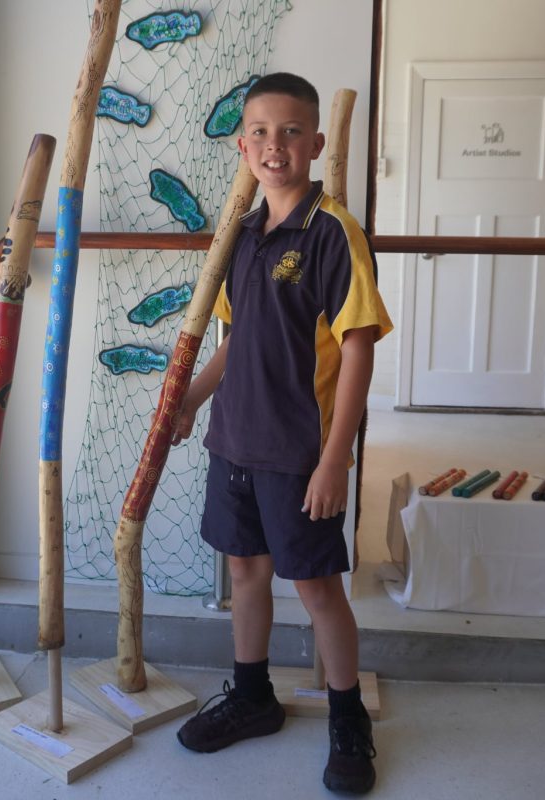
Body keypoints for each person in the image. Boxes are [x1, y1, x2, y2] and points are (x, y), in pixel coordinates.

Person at [169, 72, 393, 795]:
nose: (276, 145)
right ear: (243, 144)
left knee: (318, 587)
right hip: (235, 437)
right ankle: (253, 697)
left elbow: (357, 347)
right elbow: (236, 334)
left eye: (292, 131)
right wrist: (195, 400)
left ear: (317, 143)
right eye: (261, 132)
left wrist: (337, 461)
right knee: (244, 572)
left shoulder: (334, 232)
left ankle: (346, 715)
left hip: (301, 451)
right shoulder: (244, 230)